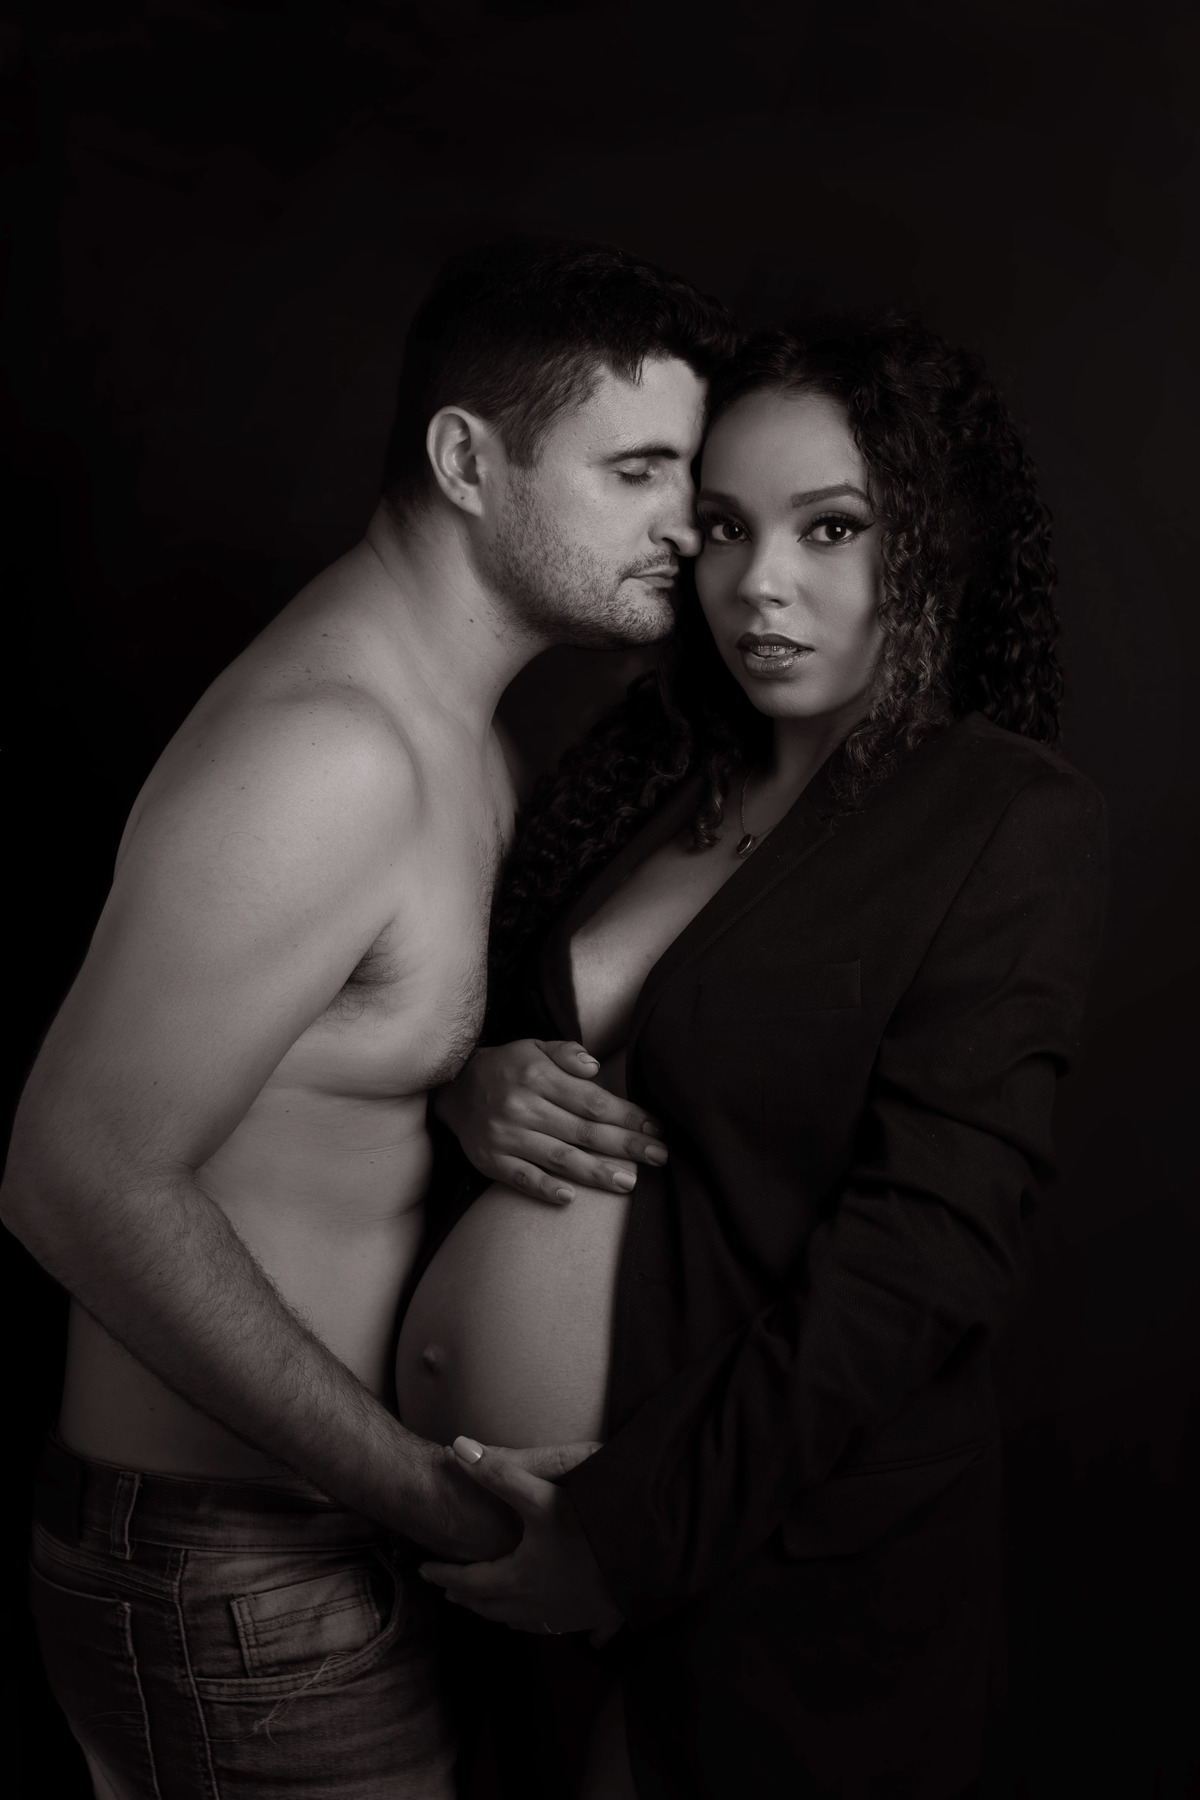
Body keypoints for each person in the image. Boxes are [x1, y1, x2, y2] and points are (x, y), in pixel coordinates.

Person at [0, 237, 735, 1798]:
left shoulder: (462, 736)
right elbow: (71, 1176)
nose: (687, 523)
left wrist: (460, 1080)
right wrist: (441, 1502)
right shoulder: (333, 753)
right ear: (468, 461)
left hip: (315, 1550)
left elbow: (308, 1055)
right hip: (232, 1571)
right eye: (637, 472)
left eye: (689, 472)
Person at [405, 312, 1109, 1798]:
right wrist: (472, 1087)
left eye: (831, 527)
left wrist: (621, 1535)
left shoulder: (999, 818)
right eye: (723, 527)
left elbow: (922, 1255)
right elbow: (566, 1050)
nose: (759, 583)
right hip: (485, 1575)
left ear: (935, 546)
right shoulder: (657, 774)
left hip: (772, 1570)